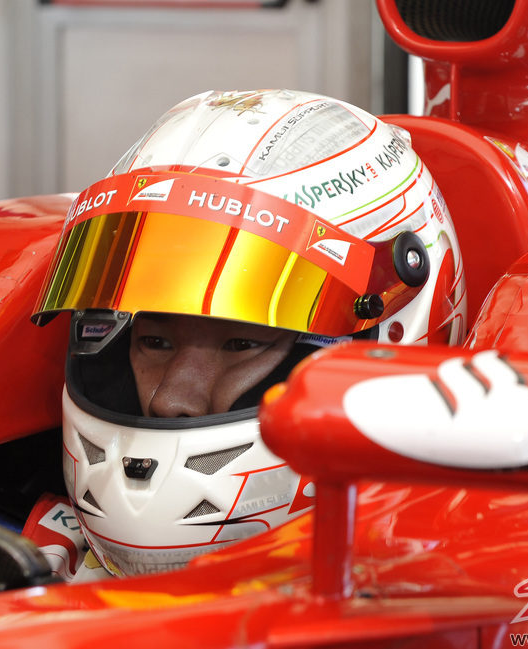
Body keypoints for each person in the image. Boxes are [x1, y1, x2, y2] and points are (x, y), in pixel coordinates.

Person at [26, 89, 467, 581]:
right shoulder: (28, 569)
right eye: (155, 341)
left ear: (397, 337)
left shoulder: (485, 586)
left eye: (241, 344)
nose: (171, 401)